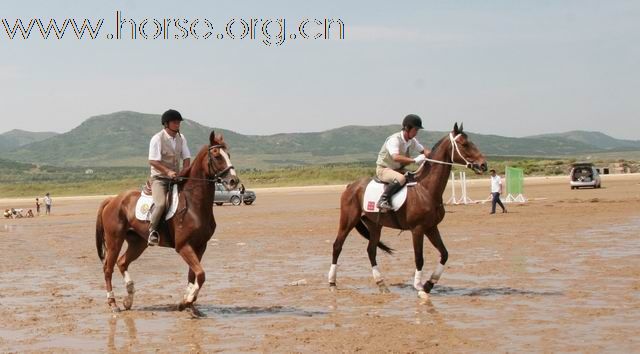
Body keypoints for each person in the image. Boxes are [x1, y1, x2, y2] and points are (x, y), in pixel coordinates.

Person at [147, 109, 191, 246]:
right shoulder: (157, 138)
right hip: (160, 179)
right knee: (161, 204)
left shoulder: (181, 138)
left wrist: (184, 172)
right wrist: (167, 172)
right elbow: (153, 161)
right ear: (166, 124)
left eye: (178, 122)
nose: (178, 124)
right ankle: (152, 231)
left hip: (176, 178)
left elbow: (187, 158)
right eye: (175, 122)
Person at [375, 114, 430, 211]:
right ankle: (383, 200)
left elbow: (423, 150)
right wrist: (415, 160)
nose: (416, 133)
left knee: (416, 176)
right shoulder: (394, 139)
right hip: (384, 169)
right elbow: (395, 157)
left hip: (398, 169)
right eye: (415, 130)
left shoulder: (412, 140)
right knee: (401, 179)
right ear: (407, 128)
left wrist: (432, 155)